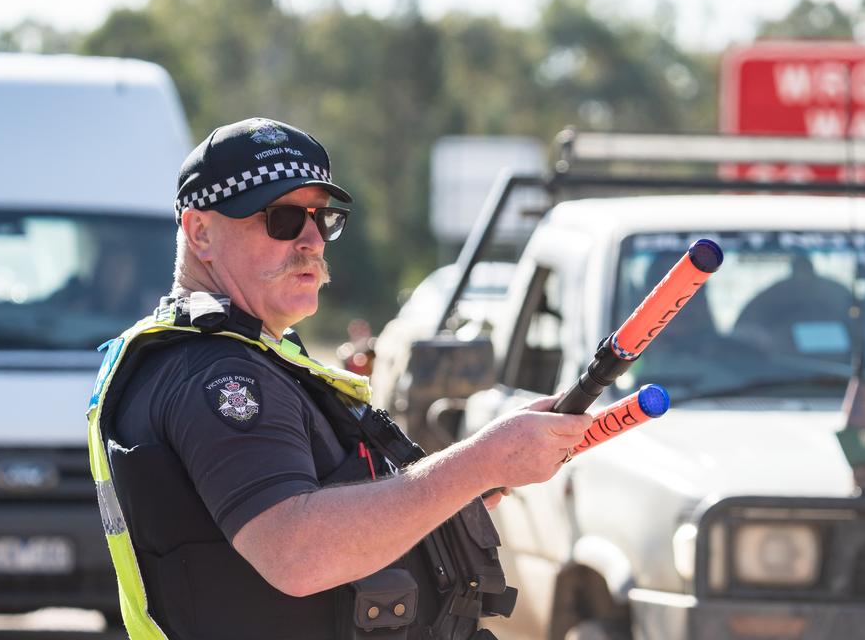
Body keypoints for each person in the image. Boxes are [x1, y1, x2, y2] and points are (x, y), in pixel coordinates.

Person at [85, 117, 591, 640]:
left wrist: (457, 484)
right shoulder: (221, 375)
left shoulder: (236, 353)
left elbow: (321, 509)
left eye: (321, 218)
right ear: (201, 232)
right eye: (281, 218)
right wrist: (477, 463)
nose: (310, 239)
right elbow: (298, 551)